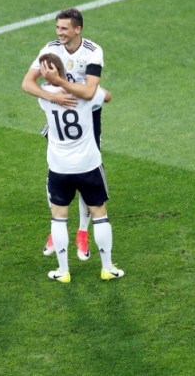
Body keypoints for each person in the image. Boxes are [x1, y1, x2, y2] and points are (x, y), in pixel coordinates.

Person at [21, 8, 104, 261]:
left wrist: (60, 83)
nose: (60, 33)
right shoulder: (50, 48)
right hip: (58, 117)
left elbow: (89, 92)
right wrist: (53, 96)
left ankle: (81, 232)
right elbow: (27, 83)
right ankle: (55, 228)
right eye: (58, 28)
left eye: (64, 29)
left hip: (88, 119)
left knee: (86, 174)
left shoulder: (93, 52)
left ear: (78, 29)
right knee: (56, 173)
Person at [37, 53, 123, 283]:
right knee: (100, 215)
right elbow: (108, 97)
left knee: (58, 218)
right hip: (88, 165)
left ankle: (63, 271)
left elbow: (33, 86)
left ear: (46, 73)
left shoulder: (44, 98)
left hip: (59, 167)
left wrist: (54, 85)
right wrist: (83, 87)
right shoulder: (87, 94)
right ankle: (107, 268)